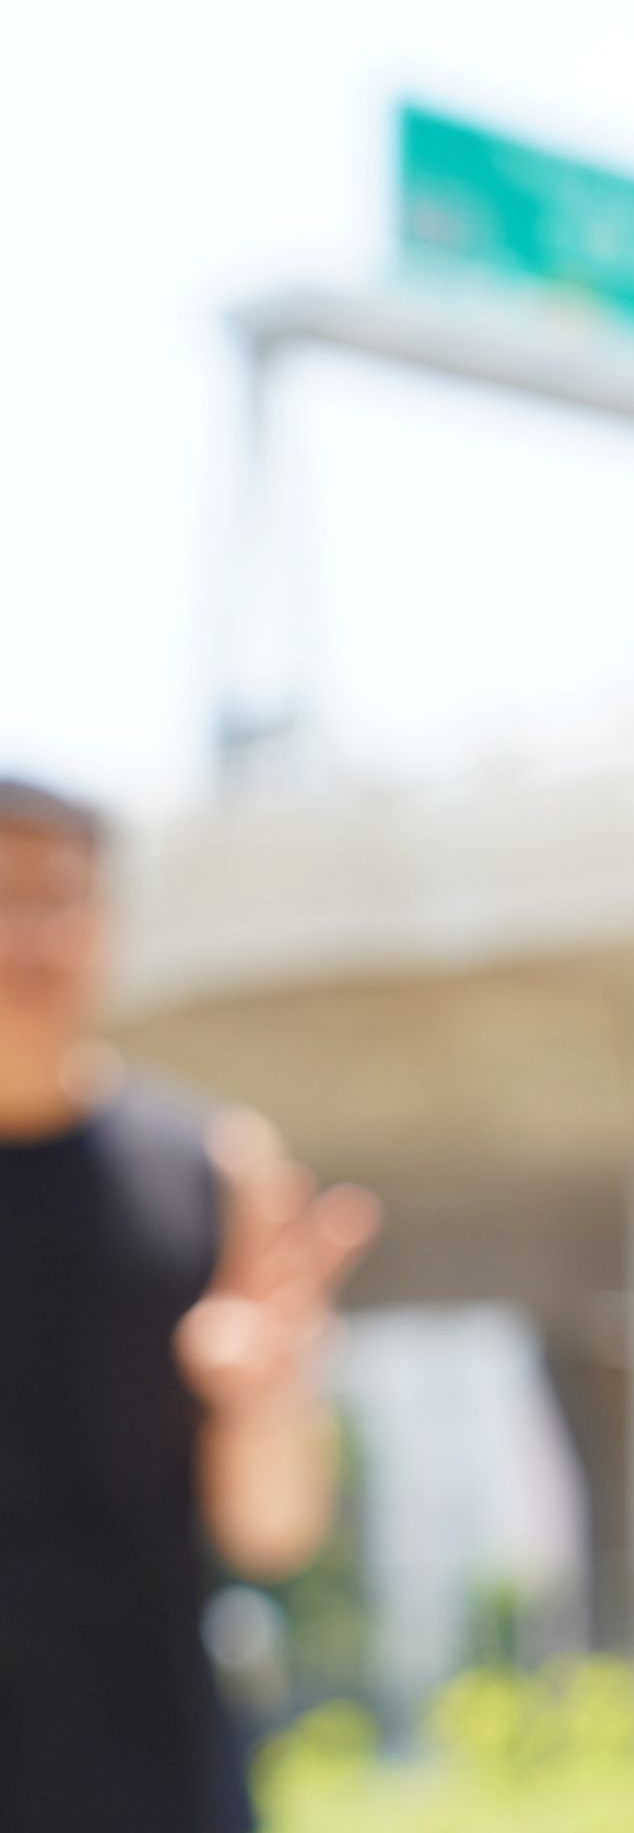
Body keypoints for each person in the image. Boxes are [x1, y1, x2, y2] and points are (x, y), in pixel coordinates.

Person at [0, 775, 380, 1832]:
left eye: (60, 896)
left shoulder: (212, 1172)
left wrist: (263, 1402)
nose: (30, 932)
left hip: (149, 1768)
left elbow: (271, 1531)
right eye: (1, 892)